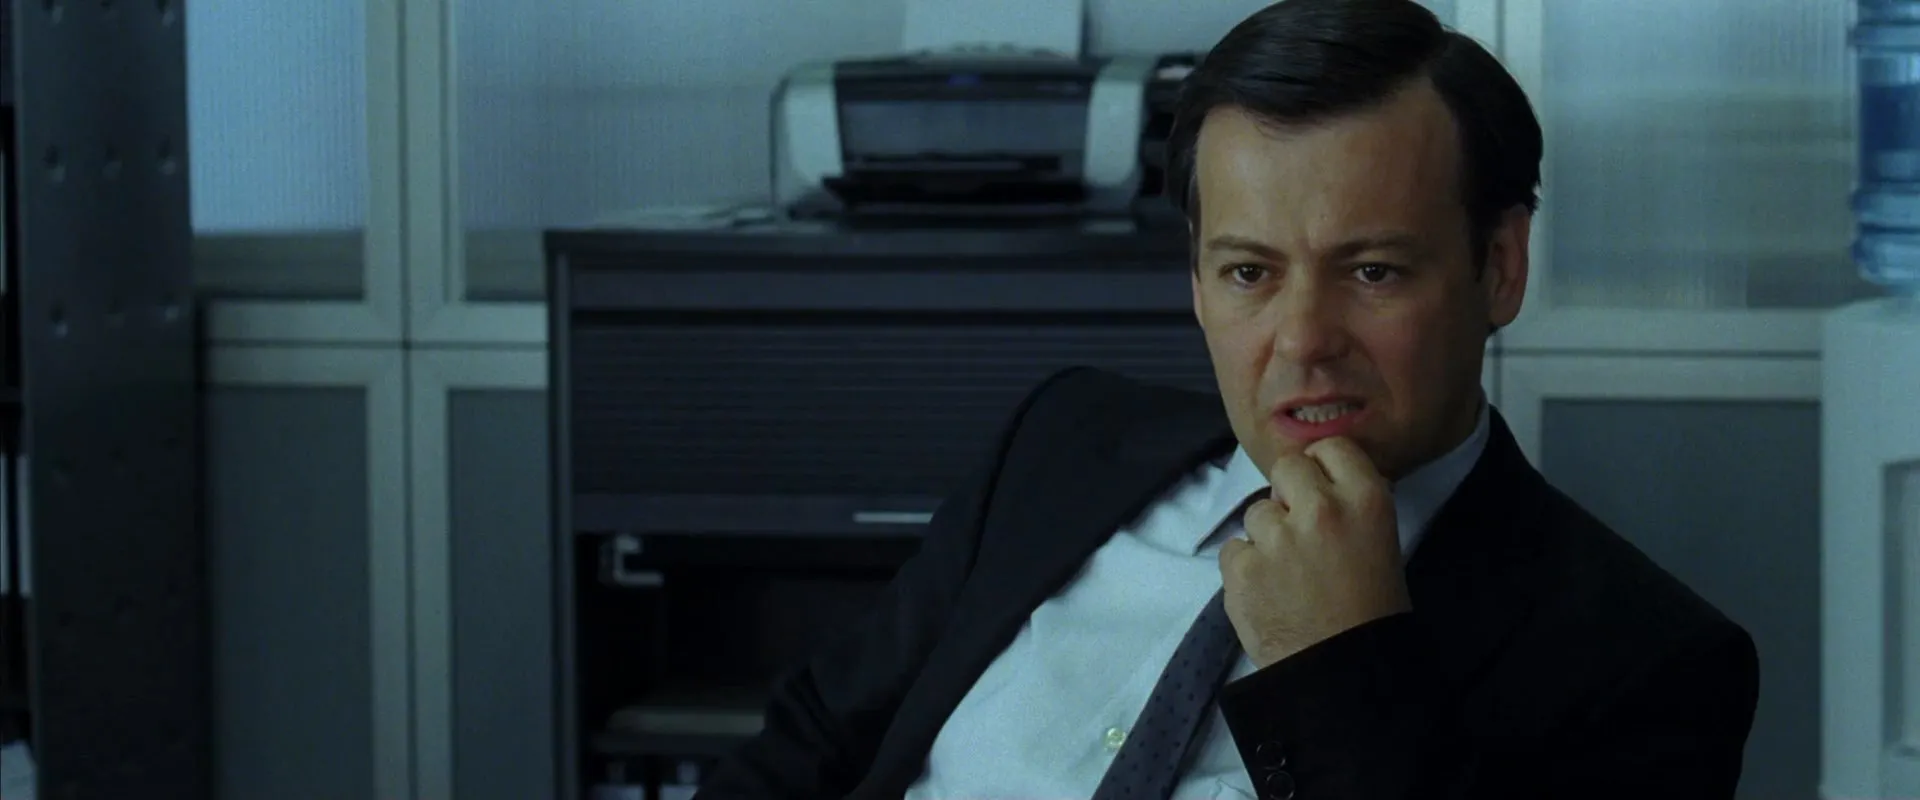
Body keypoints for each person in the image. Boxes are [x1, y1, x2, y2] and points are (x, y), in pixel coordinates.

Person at [695, 0, 1761, 797]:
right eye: (1250, 272)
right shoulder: (1063, 442)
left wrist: (1341, 669)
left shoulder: (1648, 664)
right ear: (1198, 282)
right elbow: (804, 747)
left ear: (1500, 268)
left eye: (1373, 271)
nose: (1302, 339)